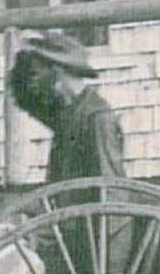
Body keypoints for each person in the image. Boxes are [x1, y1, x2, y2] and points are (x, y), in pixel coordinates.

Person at [7, 29, 125, 182]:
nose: (33, 84)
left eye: (35, 74)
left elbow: (111, 191)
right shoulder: (68, 115)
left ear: (56, 73)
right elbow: (26, 101)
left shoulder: (97, 119)